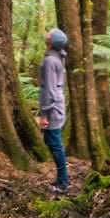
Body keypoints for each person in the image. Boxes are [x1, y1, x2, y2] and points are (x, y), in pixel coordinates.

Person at [38, 27, 69, 194]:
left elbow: (49, 90)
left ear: (52, 41)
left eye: (50, 33)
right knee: (52, 142)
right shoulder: (57, 57)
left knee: (55, 144)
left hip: (53, 109)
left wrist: (44, 115)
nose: (47, 33)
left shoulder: (51, 61)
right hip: (56, 106)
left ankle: (64, 182)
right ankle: (61, 178)